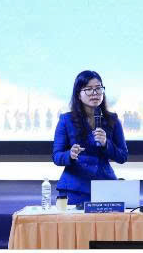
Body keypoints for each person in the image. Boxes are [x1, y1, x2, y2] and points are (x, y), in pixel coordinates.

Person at [53, 70, 128, 205]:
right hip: (75, 188)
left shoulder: (113, 120)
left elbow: (123, 156)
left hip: (105, 187)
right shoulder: (66, 120)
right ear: (78, 94)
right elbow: (57, 156)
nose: (95, 93)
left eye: (98, 88)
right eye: (88, 89)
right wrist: (70, 155)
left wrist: (106, 144)